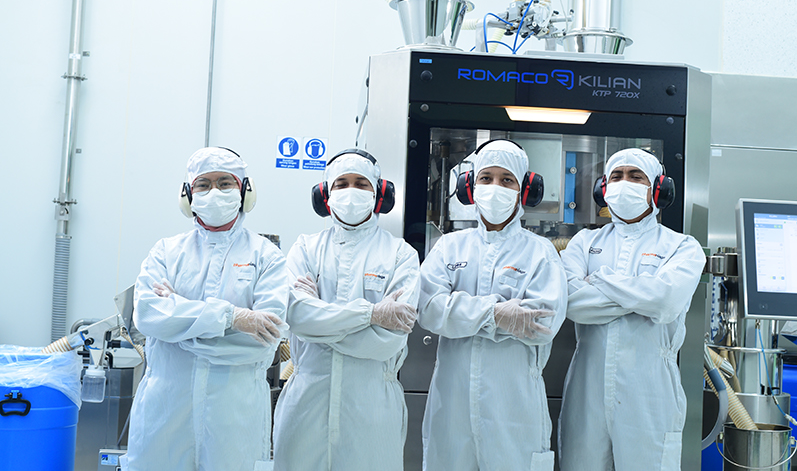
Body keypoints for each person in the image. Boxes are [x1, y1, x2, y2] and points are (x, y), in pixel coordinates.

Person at [122, 147, 288, 471]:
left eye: (225, 183)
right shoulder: (166, 252)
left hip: (235, 419)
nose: (214, 192)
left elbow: (262, 342)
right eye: (203, 184)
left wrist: (180, 321)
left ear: (245, 192)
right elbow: (148, 316)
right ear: (188, 195)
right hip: (164, 415)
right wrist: (233, 318)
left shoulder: (267, 256)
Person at [418, 139, 568, 471]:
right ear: (470, 187)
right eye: (486, 178)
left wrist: (460, 314)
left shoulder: (540, 252)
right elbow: (428, 309)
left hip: (514, 409)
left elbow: (542, 324)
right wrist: (497, 314)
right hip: (451, 408)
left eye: (507, 180)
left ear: (524, 190)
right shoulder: (448, 247)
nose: (495, 187)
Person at [558, 148, 706, 471]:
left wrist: (601, 278)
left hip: (650, 392)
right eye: (616, 177)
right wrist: (641, 297)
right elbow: (570, 303)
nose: (624, 183)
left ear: (657, 190)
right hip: (587, 389)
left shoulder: (682, 247)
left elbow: (665, 302)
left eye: (636, 177)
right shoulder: (583, 242)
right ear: (604, 189)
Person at [272, 149, 420, 471]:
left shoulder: (401, 254)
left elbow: (386, 343)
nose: (351, 191)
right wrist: (372, 315)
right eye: (341, 184)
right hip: (306, 403)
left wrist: (320, 317)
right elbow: (297, 317)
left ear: (379, 194)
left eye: (361, 184)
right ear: (325, 195)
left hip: (372, 407)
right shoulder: (305, 248)